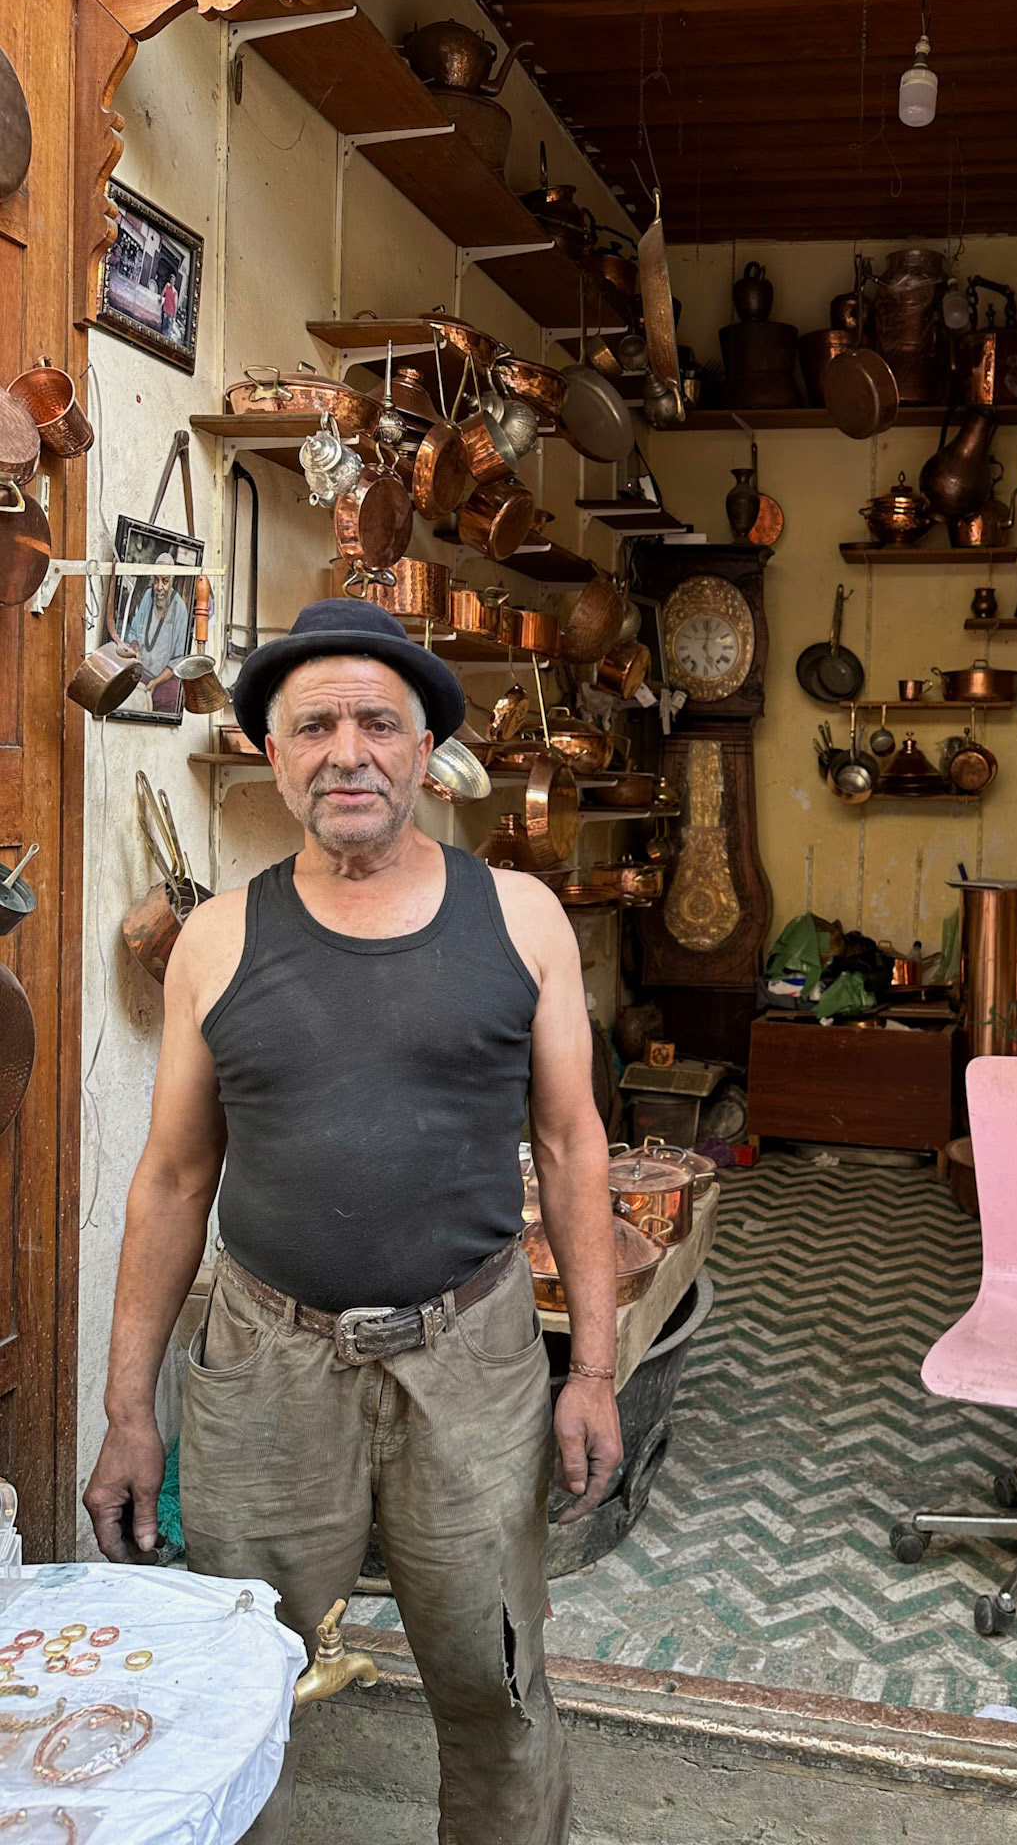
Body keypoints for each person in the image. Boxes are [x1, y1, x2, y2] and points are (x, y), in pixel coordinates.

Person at [83, 599, 622, 1843]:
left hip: (476, 1358)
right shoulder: (215, 941)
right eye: (313, 725)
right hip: (265, 1363)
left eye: (380, 722)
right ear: (273, 755)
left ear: (427, 749)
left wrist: (589, 1366)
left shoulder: (521, 918)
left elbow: (573, 1139)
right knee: (233, 1686)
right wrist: (126, 1411)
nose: (349, 751)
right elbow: (169, 1180)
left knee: (496, 1688)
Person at [121, 551, 189, 714]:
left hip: (164, 681)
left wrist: (156, 682)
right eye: (156, 580)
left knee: (172, 701)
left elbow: (178, 660)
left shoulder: (180, 609)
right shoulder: (147, 596)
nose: (159, 587)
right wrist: (135, 648)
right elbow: (134, 632)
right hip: (141, 673)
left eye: (165, 581)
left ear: (173, 581)